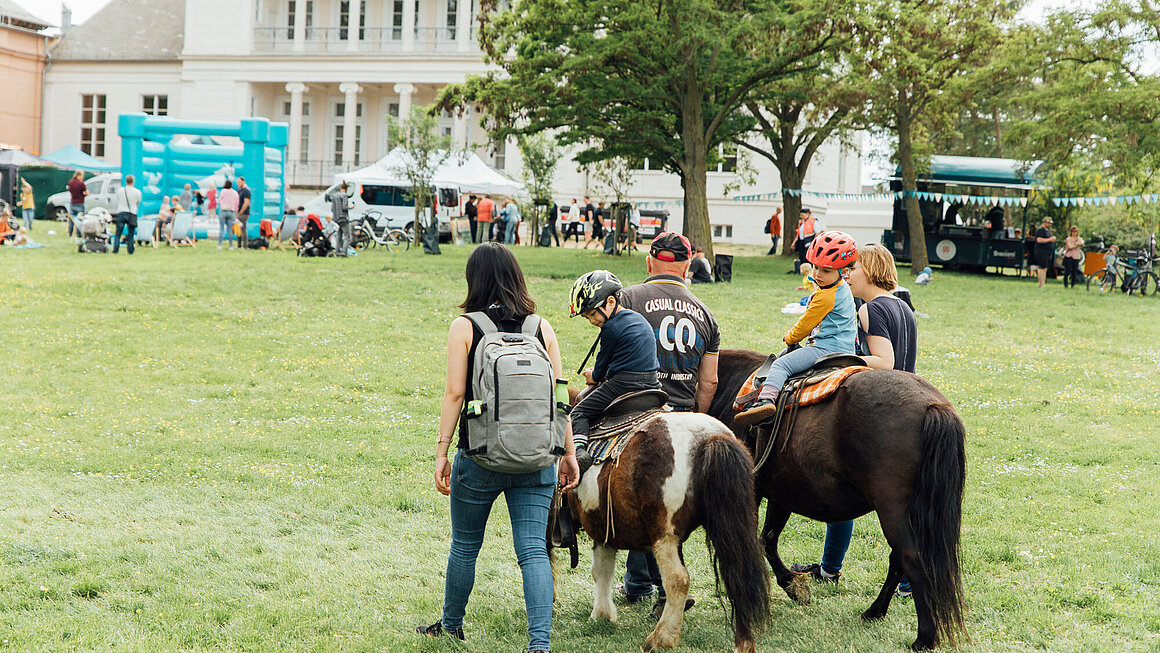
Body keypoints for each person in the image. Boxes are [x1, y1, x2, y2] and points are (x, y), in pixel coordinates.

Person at [415, 243, 580, 653]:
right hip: (537, 460)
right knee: (532, 552)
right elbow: (560, 397)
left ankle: (452, 626)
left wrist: (440, 452)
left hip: (481, 457)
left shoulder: (465, 327)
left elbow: (455, 394)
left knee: (465, 546)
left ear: (475, 279)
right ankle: (539, 645)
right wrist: (570, 453)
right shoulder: (541, 327)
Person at [789, 243, 918, 591]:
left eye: (854, 267)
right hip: (906, 404)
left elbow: (883, 361)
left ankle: (832, 567)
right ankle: (904, 579)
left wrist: (838, 359)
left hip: (879, 410)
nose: (848, 273)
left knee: (840, 489)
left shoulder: (871, 310)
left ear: (871, 271)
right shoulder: (904, 307)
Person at [614, 231, 721, 614]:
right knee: (669, 505)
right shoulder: (705, 312)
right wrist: (696, 415)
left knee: (630, 495)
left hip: (633, 411)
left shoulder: (627, 298)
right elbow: (709, 380)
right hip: (681, 415)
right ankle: (644, 581)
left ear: (649, 262)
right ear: (688, 267)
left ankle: (639, 581)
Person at [735, 231, 858, 427]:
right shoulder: (841, 288)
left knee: (781, 365)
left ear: (843, 271)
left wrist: (791, 337)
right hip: (847, 349)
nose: (817, 274)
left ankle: (764, 402)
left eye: (826, 271)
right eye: (816, 267)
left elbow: (805, 325)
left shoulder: (826, 296)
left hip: (825, 348)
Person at [568, 270, 661, 473]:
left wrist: (591, 376)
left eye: (592, 313)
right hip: (653, 383)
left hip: (624, 384)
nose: (592, 320)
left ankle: (578, 451)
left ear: (611, 302)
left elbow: (600, 372)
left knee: (580, 411)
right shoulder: (638, 318)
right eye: (587, 317)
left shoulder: (610, 329)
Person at [112, 174, 142, 255]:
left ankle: (115, 249)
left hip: (121, 212)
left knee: (118, 232)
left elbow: (118, 199)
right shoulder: (137, 192)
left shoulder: (120, 190)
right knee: (131, 233)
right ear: (133, 182)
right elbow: (137, 202)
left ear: (126, 181)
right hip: (132, 212)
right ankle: (130, 250)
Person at [790, 207, 818, 272]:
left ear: (807, 214)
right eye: (801, 215)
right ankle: (802, 270)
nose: (801, 217)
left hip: (809, 241)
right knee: (801, 256)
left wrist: (813, 242)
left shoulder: (813, 221)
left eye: (802, 215)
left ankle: (809, 271)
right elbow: (798, 234)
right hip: (802, 241)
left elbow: (817, 233)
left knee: (807, 257)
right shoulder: (802, 222)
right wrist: (794, 243)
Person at [1033, 217, 1056, 288]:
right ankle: (1041, 283)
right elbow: (1039, 240)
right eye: (1048, 223)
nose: (1049, 225)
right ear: (1044, 222)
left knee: (1044, 268)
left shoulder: (1047, 230)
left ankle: (1042, 283)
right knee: (1042, 268)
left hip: (1047, 251)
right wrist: (1050, 239)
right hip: (1041, 251)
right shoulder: (1040, 230)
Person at [331, 181, 352, 256]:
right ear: (346, 189)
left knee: (339, 236)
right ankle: (344, 252)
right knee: (347, 236)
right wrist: (351, 207)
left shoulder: (334, 195)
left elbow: (332, 208)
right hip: (343, 218)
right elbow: (344, 207)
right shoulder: (345, 195)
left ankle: (337, 251)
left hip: (336, 218)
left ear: (340, 187)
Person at [217, 180, 239, 249]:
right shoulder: (235, 192)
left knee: (221, 229)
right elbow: (237, 204)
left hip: (223, 211)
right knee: (229, 230)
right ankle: (230, 246)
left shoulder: (223, 191)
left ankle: (220, 245)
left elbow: (219, 200)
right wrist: (236, 214)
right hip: (231, 212)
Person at [67, 171, 87, 238]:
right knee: (80, 219)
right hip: (80, 203)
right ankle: (79, 234)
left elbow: (69, 189)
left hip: (72, 202)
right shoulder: (81, 183)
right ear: (80, 175)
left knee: (71, 219)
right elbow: (86, 192)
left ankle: (70, 234)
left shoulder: (70, 182)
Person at [236, 176, 252, 249]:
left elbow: (246, 203)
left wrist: (241, 212)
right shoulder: (239, 190)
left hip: (244, 212)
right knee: (238, 228)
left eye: (239, 182)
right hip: (239, 211)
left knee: (243, 229)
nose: (238, 184)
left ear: (243, 181)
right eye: (237, 182)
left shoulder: (246, 191)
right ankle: (239, 245)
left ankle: (245, 245)